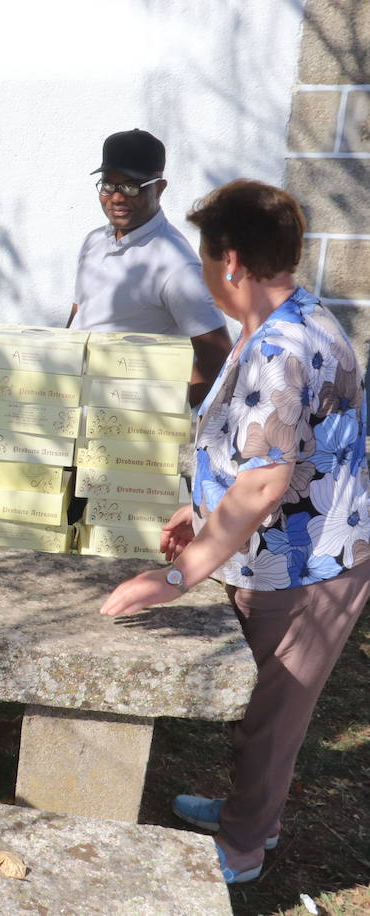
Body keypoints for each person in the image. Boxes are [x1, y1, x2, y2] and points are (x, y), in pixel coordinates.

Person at [100, 179, 370, 884]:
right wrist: (199, 509)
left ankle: (245, 850)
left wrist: (173, 578)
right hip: (279, 553)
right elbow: (259, 448)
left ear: (230, 264)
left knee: (272, 717)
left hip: (310, 565)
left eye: (203, 255)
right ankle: (247, 813)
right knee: (261, 707)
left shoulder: (282, 347)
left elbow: (264, 483)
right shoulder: (283, 318)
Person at [68, 128, 232, 406]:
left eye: (132, 187)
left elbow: (217, 358)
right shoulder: (93, 242)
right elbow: (79, 312)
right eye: (109, 185)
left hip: (122, 424)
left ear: (160, 188)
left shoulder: (175, 264)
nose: (117, 198)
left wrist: (156, 413)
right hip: (71, 407)